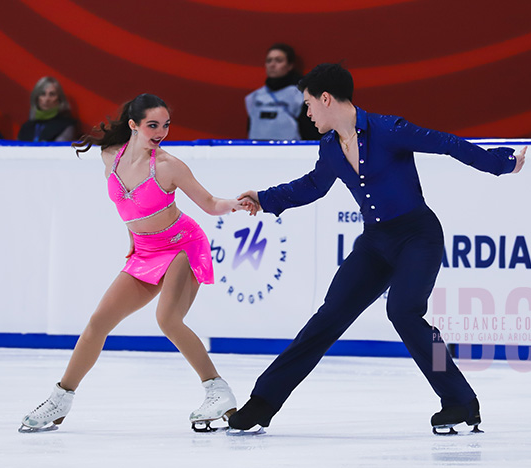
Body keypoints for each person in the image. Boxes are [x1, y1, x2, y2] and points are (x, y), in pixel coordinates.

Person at [229, 63, 527, 435]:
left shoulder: (389, 129)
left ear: (326, 99)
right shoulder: (331, 147)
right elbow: (313, 186)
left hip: (417, 236)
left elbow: (445, 143)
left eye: (307, 104)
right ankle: (262, 403)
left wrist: (500, 162)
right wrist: (265, 198)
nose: (305, 113)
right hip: (374, 243)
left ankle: (459, 400)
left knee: (404, 312)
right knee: (327, 317)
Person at [20, 93, 256, 433]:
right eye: (153, 125)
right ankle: (60, 398)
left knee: (168, 319)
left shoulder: (168, 165)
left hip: (181, 244)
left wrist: (235, 203)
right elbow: (130, 209)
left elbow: (209, 203)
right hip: (146, 252)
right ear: (133, 124)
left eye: (166, 125)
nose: (161, 131)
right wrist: (133, 238)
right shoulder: (109, 157)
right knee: (98, 322)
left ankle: (218, 391)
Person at [245, 43, 320, 141]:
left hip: (291, 152)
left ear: (290, 65)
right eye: (269, 60)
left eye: (278, 60)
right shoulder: (254, 97)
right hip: (257, 151)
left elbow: (311, 132)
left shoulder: (301, 95)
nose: (272, 64)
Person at [17, 76, 77, 142]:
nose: (47, 99)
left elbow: (58, 150)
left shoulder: (66, 126)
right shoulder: (26, 127)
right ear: (37, 98)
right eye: (43, 94)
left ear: (59, 99)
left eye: (52, 94)